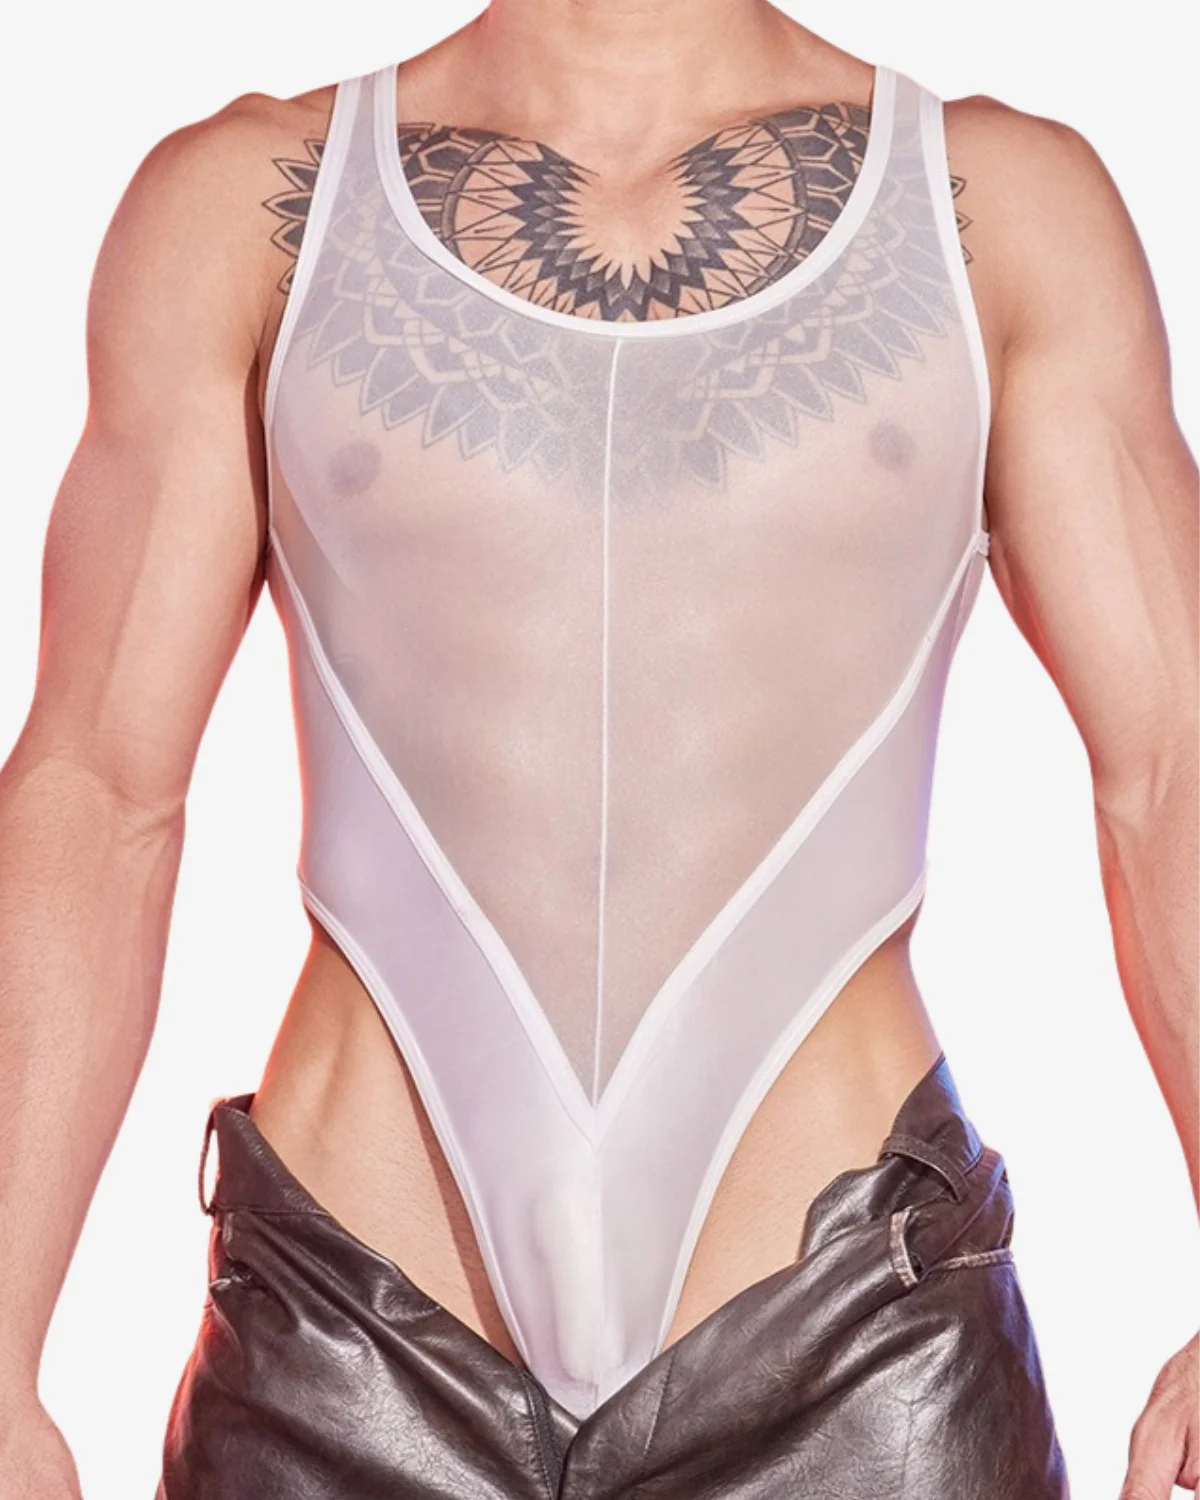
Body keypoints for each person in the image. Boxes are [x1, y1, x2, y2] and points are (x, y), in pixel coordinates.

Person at [0, 0, 1195, 1495]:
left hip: (858, 1357)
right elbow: (95, 786)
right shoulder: (241, 207)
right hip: (345, 1345)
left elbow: (1172, 765)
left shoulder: (1004, 211)